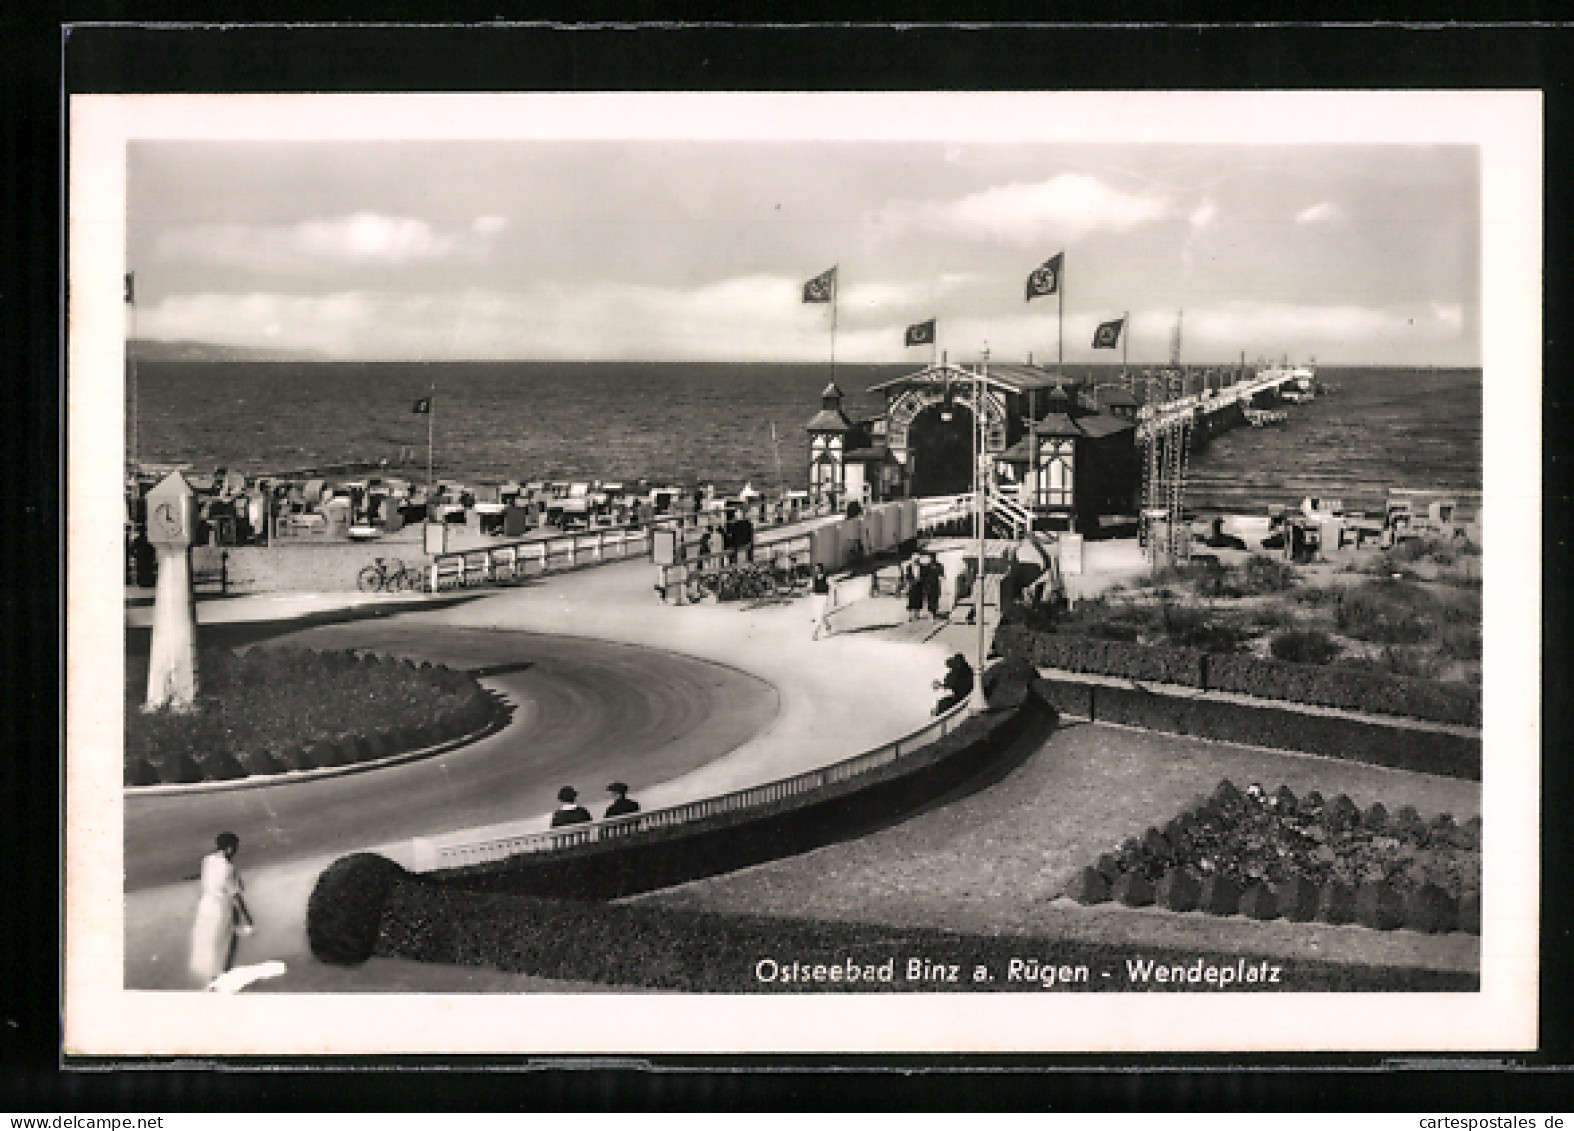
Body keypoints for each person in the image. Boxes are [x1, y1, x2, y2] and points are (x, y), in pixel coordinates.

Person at [188, 832, 252, 988]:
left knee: (206, 941)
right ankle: (220, 977)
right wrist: (248, 918)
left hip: (205, 905)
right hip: (221, 907)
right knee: (225, 943)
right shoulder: (228, 868)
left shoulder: (208, 860)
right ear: (230, 849)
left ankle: (209, 979)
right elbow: (236, 895)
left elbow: (208, 877)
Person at [810, 564, 832, 640]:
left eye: (818, 569)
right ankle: (828, 626)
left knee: (819, 616)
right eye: (815, 569)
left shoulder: (826, 578)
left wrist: (835, 599)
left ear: (821, 569)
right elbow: (811, 588)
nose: (816, 570)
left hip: (824, 597)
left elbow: (833, 586)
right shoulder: (814, 578)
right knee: (821, 615)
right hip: (816, 597)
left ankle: (814, 633)